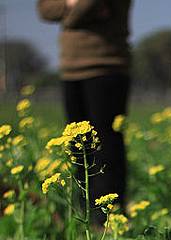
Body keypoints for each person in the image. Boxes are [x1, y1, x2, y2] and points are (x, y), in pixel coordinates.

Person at [37, 0, 133, 219]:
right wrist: (74, 6)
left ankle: (109, 217)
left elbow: (82, 9)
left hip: (107, 65)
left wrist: (70, 11)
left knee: (106, 146)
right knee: (78, 147)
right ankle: (86, 215)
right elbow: (44, 8)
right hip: (70, 69)